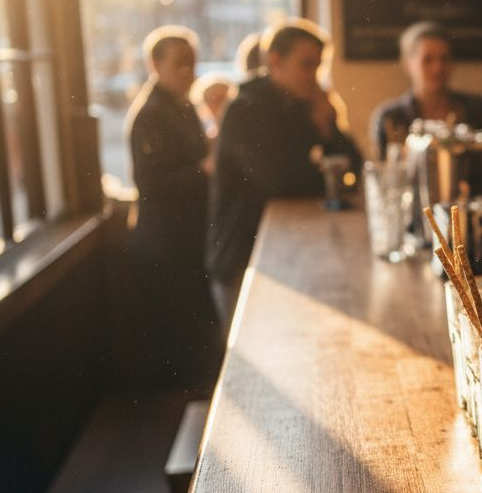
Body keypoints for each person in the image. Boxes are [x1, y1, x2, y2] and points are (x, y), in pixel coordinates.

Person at [206, 19, 361, 322]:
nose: (314, 77)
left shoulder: (299, 106)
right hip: (241, 260)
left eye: (318, 67)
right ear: (275, 61)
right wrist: (325, 175)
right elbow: (279, 181)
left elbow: (353, 167)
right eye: (307, 65)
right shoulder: (245, 109)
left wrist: (328, 128)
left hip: (283, 256)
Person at [126, 25, 220, 384]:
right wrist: (203, 169)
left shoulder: (181, 105)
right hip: (166, 244)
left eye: (193, 63)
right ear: (155, 64)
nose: (190, 72)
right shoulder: (152, 113)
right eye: (181, 63)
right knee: (186, 341)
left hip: (184, 239)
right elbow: (151, 184)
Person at [370, 21, 482, 157]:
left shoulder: (476, 108)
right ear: (407, 64)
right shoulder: (390, 118)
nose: (437, 68)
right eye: (427, 60)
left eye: (444, 59)